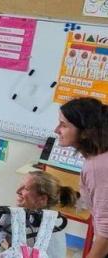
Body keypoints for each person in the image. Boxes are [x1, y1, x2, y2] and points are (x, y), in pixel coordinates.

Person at [54, 97, 108, 258]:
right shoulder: (98, 159)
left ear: (85, 132)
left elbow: (106, 231)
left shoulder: (98, 166)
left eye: (63, 125)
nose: (56, 129)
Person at [14, 170, 78, 258]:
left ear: (42, 199)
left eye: (25, 188)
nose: (18, 191)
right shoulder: (49, 216)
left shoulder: (44, 226)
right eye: (21, 186)